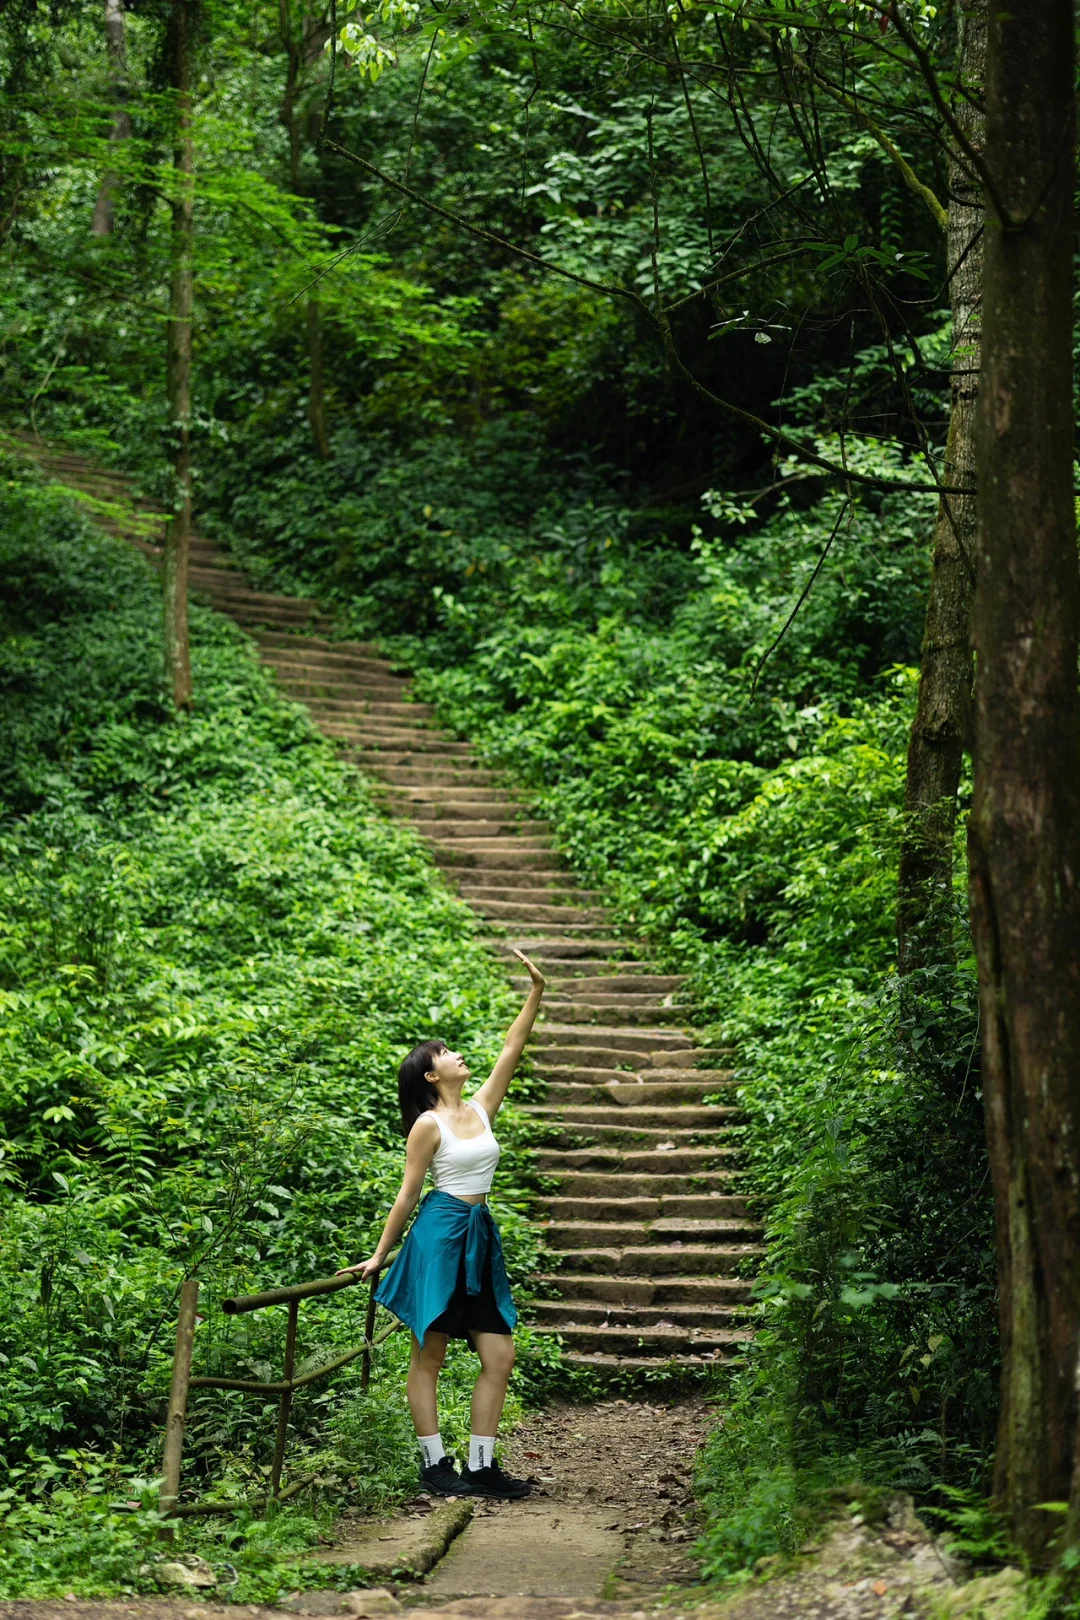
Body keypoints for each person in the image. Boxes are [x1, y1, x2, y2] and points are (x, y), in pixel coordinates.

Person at [338, 948, 546, 1499]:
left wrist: (536, 992)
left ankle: (481, 1466)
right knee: (429, 1354)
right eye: (446, 1052)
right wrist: (382, 1255)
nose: (457, 1055)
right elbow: (408, 1195)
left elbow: (513, 1046)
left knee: (499, 1354)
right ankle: (435, 1464)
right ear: (432, 1073)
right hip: (438, 1236)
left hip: (478, 1236)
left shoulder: (480, 1108)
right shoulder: (427, 1125)